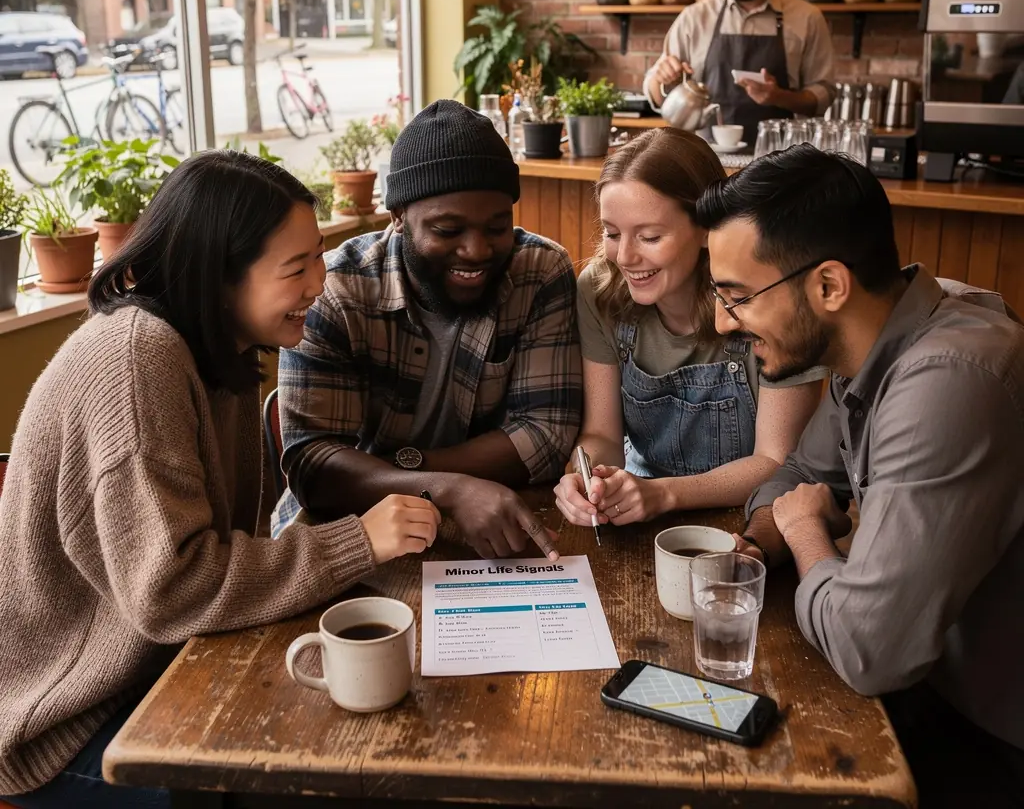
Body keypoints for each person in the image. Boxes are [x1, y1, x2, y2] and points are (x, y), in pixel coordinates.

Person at [0, 151, 440, 809]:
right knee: (316, 773)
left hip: (161, 670)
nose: (319, 283)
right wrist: (357, 543)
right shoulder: (138, 360)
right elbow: (174, 592)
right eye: (297, 268)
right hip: (65, 721)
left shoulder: (219, 349)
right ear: (219, 275)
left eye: (318, 255)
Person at [695, 144, 1024, 806]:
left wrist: (811, 539)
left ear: (828, 286)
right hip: (924, 693)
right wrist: (766, 539)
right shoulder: (879, 340)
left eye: (739, 297)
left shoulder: (949, 380)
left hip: (987, 736)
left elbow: (873, 649)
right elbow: (794, 474)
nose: (722, 321)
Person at [272, 98, 582, 561]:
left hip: (492, 517)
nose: (476, 250)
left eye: (497, 227)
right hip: (349, 532)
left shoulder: (540, 272)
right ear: (397, 217)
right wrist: (447, 489)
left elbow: (547, 433)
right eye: (447, 230)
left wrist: (422, 477)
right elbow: (314, 464)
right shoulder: (336, 290)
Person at [552, 129, 823, 531]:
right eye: (611, 233)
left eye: (649, 236)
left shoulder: (768, 297)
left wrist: (664, 493)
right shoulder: (600, 290)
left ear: (705, 229)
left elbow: (777, 462)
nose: (624, 257)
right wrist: (585, 478)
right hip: (641, 511)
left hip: (756, 519)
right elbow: (603, 435)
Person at [643, 0, 836, 145]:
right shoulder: (694, 18)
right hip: (708, 161)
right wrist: (662, 79)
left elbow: (824, 96)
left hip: (781, 163)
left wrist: (780, 97)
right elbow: (655, 93)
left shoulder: (807, 18)